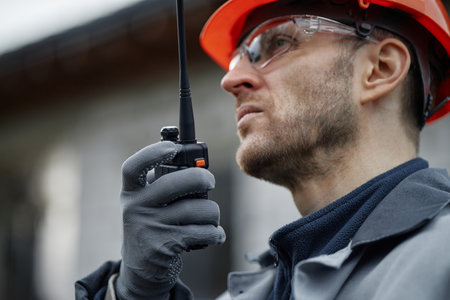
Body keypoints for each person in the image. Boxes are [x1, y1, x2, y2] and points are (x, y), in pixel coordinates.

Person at [75, 0, 450, 299]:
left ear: (380, 69)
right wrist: (133, 293)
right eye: (241, 56)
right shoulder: (252, 292)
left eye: (277, 43)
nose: (231, 79)